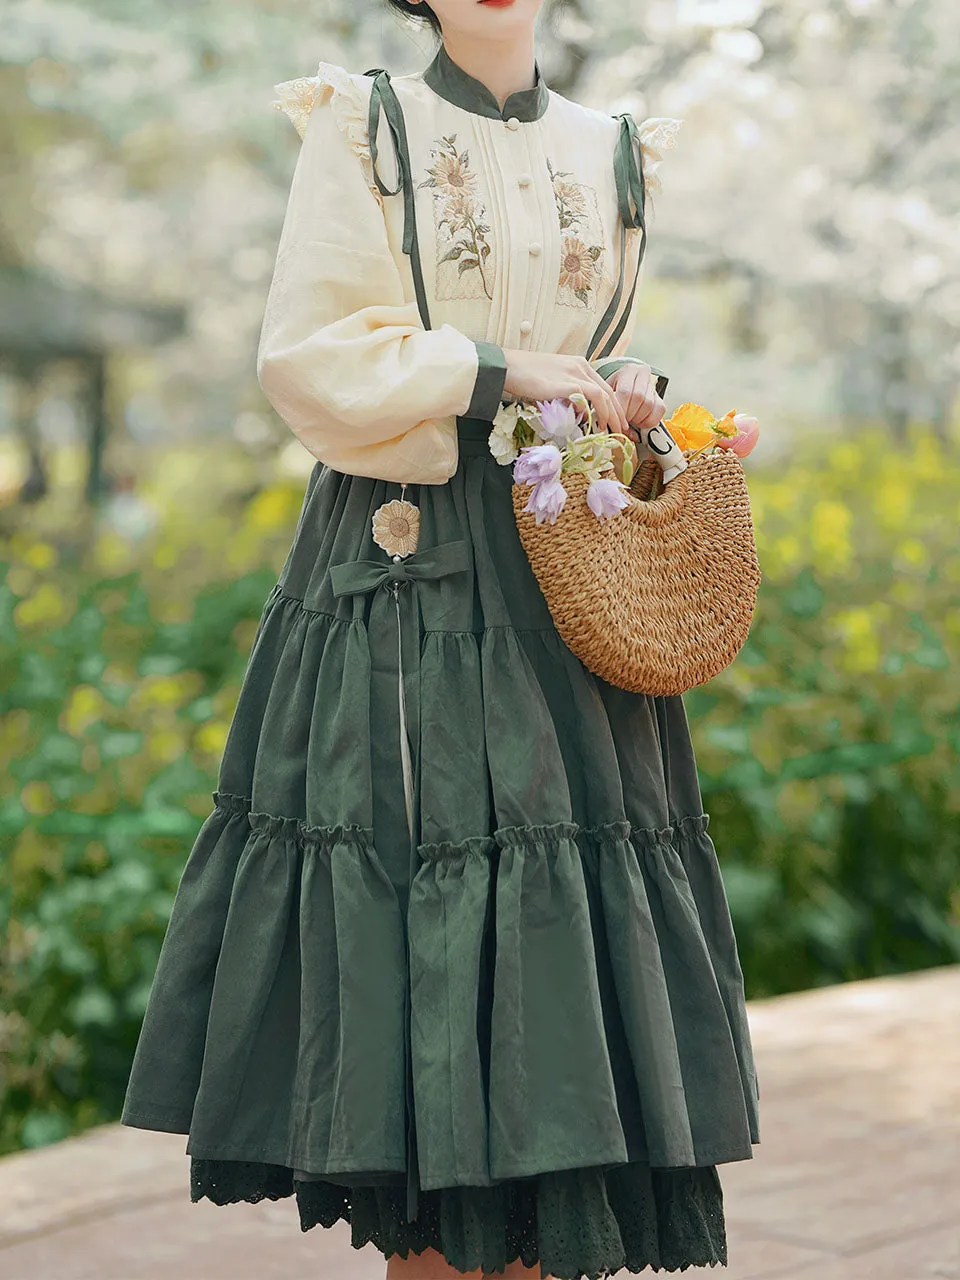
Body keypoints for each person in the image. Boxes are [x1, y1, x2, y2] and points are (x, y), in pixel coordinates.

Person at [120, 1, 761, 1276]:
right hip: (409, 564)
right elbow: (307, 354)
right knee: (425, 904)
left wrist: (622, 394)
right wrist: (495, 368)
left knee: (556, 919)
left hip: (567, 568)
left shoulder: (616, 144)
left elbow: (580, 342)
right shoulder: (364, 127)